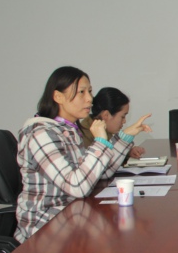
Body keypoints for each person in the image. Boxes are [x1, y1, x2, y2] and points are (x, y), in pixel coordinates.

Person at [15, 66, 152, 243]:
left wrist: (125, 137)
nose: (89, 98)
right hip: (45, 228)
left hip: (72, 217)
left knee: (125, 235)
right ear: (58, 97)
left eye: (90, 91)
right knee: (121, 238)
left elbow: (100, 173)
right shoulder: (40, 134)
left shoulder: (68, 130)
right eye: (81, 92)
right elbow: (77, 186)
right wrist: (100, 142)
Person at [79, 87, 146, 159]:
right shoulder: (84, 137)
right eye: (122, 117)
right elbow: (105, 161)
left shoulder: (104, 128)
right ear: (106, 115)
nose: (124, 121)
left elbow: (111, 152)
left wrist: (128, 152)